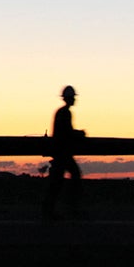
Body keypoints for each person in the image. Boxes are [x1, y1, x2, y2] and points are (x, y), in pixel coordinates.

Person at [43, 85, 86, 219]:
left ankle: (51, 211)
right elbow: (67, 132)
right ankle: (70, 208)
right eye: (73, 97)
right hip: (62, 152)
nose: (74, 100)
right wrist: (79, 134)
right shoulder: (65, 113)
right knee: (71, 176)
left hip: (60, 151)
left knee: (57, 182)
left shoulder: (62, 112)